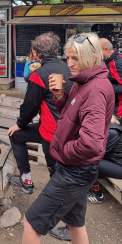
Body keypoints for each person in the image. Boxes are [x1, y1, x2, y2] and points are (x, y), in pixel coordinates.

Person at [22, 33, 114, 244]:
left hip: (75, 172)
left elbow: (90, 144)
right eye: (67, 57)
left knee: (32, 223)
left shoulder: (95, 90)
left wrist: (62, 148)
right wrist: (61, 96)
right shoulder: (85, 81)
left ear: (92, 57)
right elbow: (75, 116)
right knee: (75, 223)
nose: (69, 64)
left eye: (75, 59)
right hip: (78, 169)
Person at [7, 33, 72, 194]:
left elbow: (30, 107)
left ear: (35, 53)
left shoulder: (39, 75)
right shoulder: (68, 68)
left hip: (51, 132)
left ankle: (34, 186)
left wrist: (20, 124)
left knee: (55, 173)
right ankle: (26, 180)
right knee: (16, 136)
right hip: (70, 128)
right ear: (57, 50)